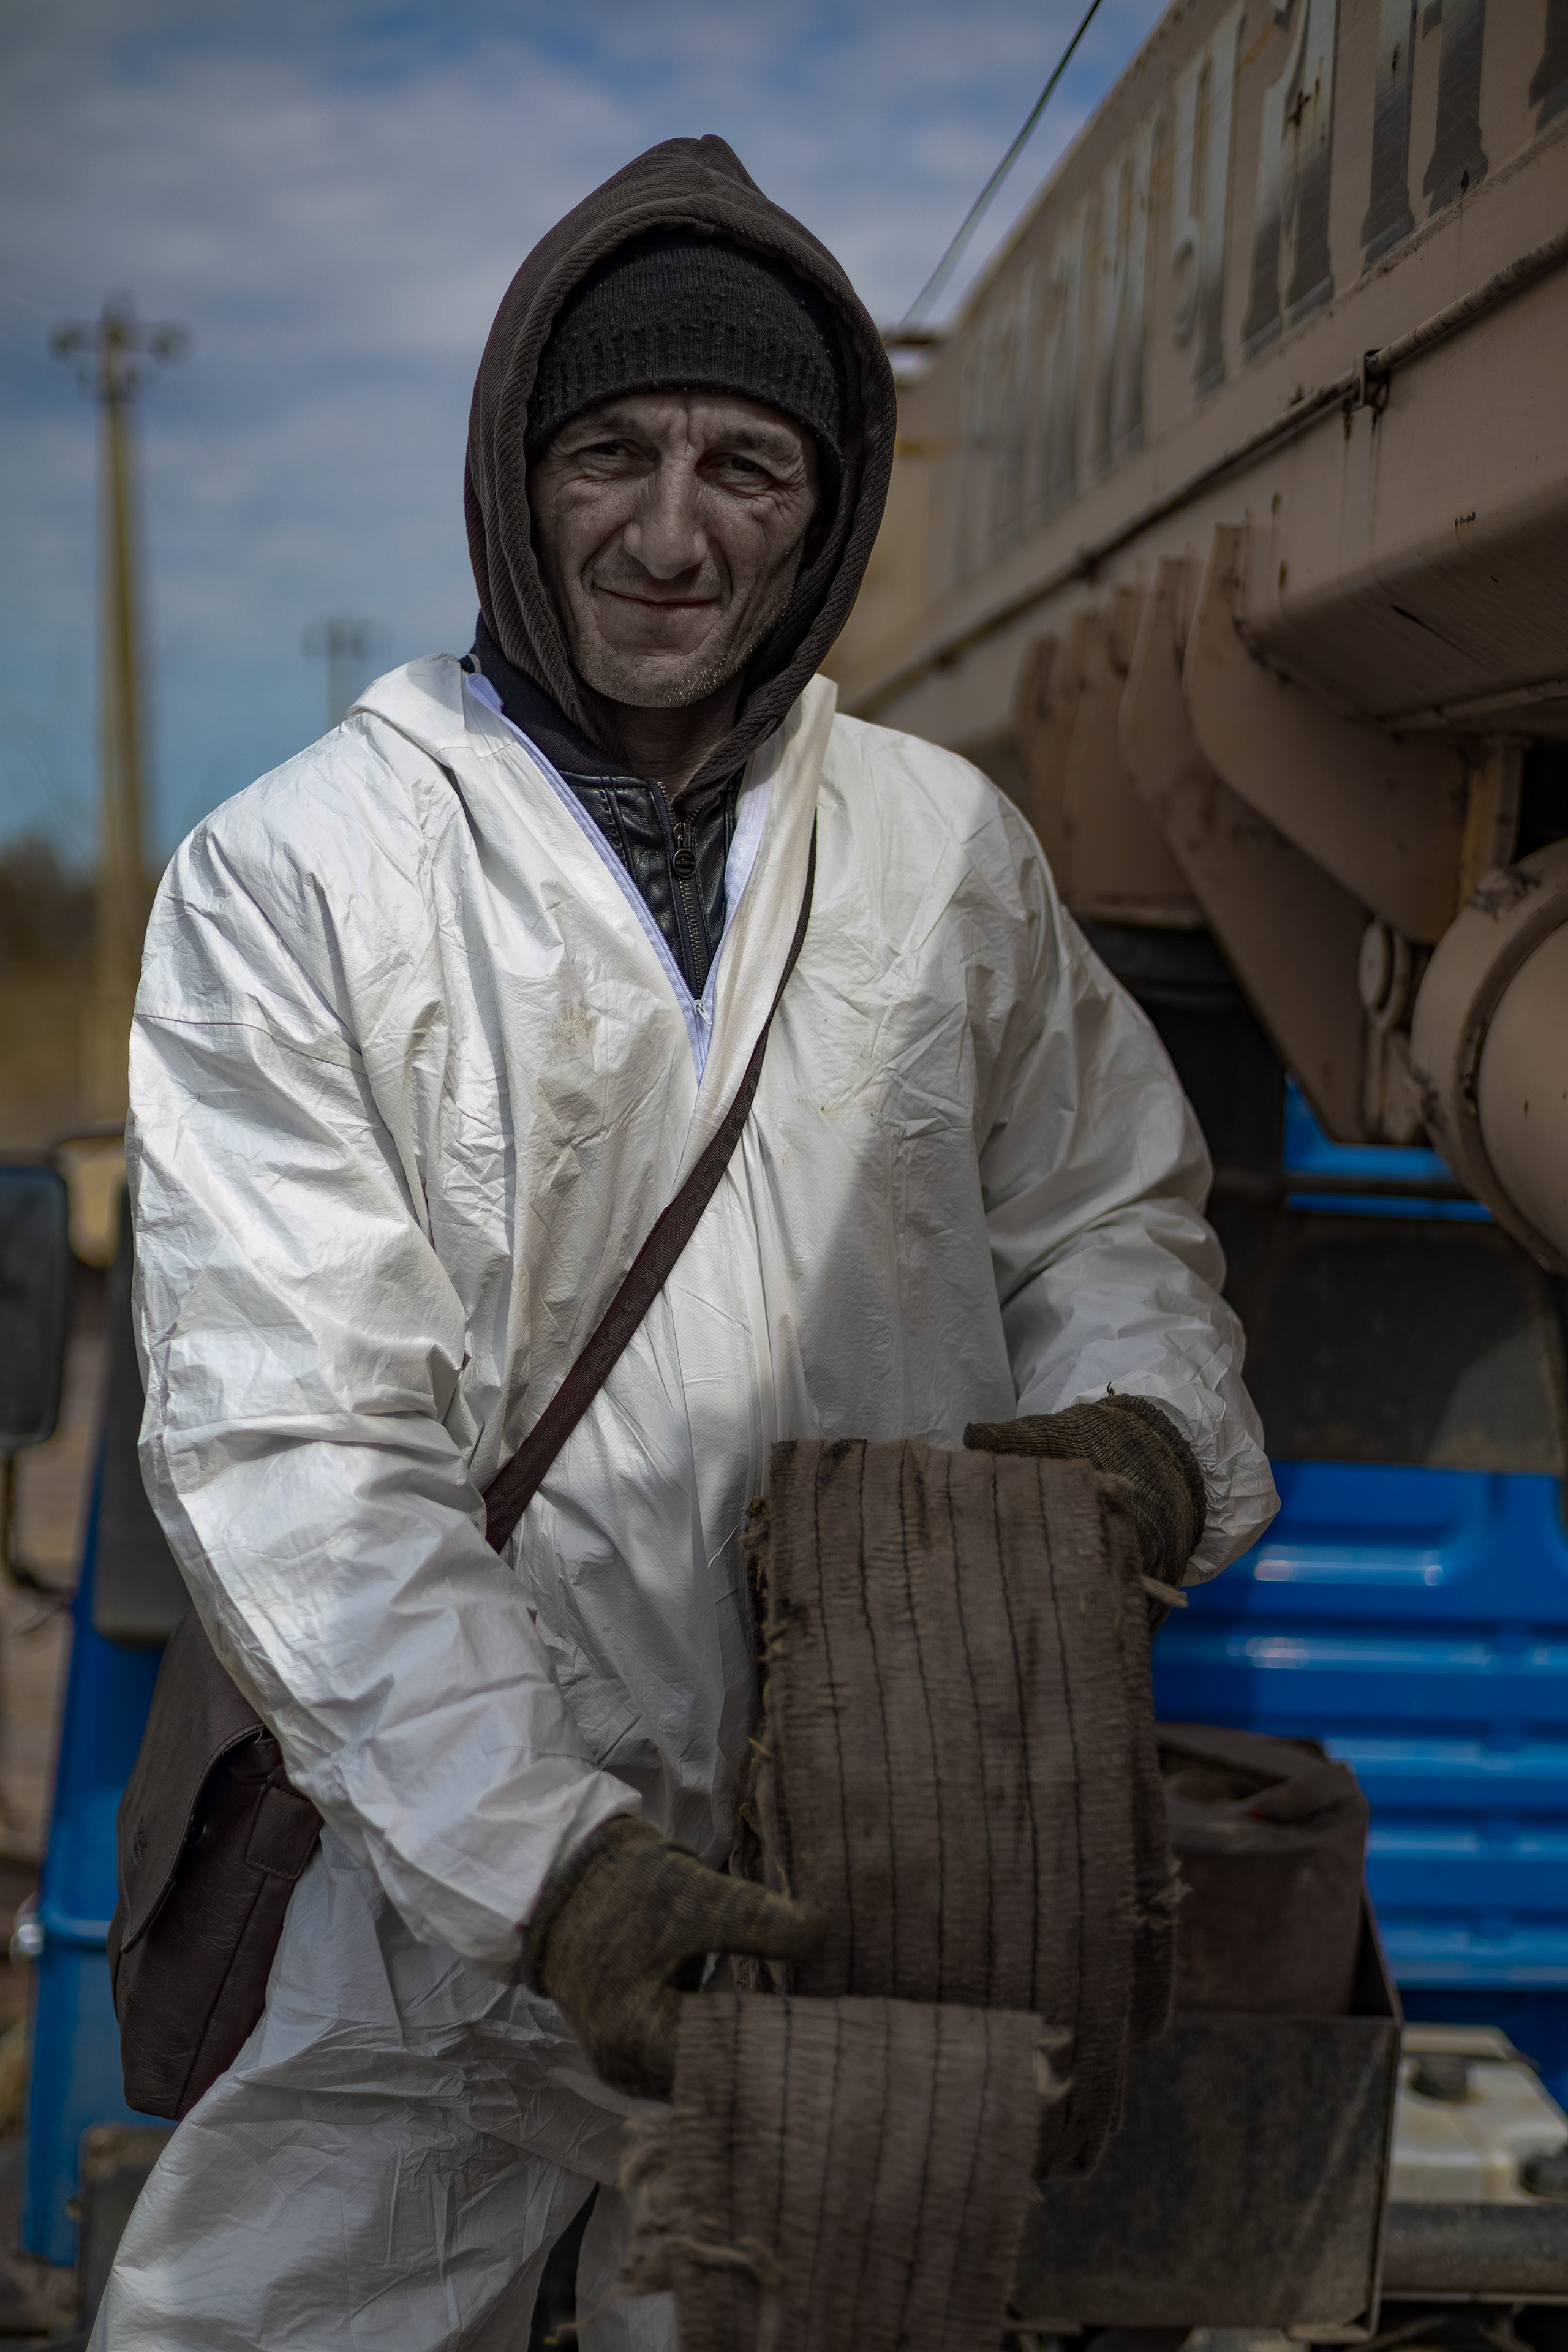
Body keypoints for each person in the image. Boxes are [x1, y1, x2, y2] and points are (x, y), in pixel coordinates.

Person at [95, 136, 1277, 2351]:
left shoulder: (942, 852)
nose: (669, 532)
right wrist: (553, 1869)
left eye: (747, 463)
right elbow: (300, 1449)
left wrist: (1142, 1433)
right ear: (512, 475)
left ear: (826, 510)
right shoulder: (307, 874)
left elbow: (1109, 1212)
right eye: (611, 451)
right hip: (438, 1890)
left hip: (857, 1884)